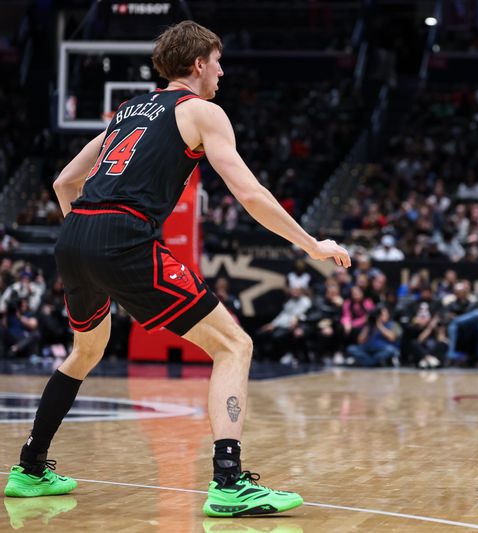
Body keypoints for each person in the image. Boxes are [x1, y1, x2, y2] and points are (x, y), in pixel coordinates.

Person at [2, 21, 351, 517]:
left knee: (86, 351)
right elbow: (250, 195)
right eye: (218, 61)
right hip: (123, 237)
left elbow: (64, 182)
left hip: (75, 234)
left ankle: (30, 469)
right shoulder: (202, 112)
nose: (222, 71)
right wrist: (312, 244)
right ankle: (229, 483)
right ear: (198, 64)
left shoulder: (126, 112)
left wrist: (87, 242)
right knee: (235, 345)